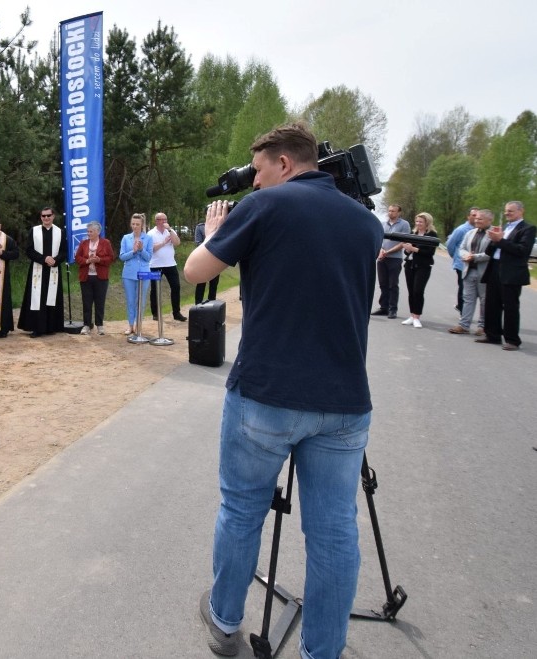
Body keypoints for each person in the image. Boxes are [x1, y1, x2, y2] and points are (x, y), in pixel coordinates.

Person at [184, 123, 383, 659]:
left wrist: (211, 232)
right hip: (343, 403)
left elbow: (194, 271)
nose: (255, 179)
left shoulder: (263, 206)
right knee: (335, 533)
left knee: (243, 509)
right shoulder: (366, 222)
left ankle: (225, 622)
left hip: (266, 395)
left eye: (259, 169)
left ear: (284, 164)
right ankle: (324, 649)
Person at [477, 201, 536, 351]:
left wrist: (500, 240)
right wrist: (493, 240)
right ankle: (492, 335)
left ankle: (512, 340)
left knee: (510, 306)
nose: (507, 213)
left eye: (510, 211)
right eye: (506, 211)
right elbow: (491, 251)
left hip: (512, 272)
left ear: (521, 211)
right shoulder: (503, 227)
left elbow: (522, 250)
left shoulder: (527, 229)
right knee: (492, 304)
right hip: (495, 268)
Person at [17, 207, 66, 338]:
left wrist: (55, 260)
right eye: (43, 216)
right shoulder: (34, 231)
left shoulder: (60, 232)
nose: (46, 218)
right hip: (38, 269)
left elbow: (64, 251)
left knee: (51, 297)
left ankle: (51, 327)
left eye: (48, 215)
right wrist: (44, 259)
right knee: (36, 298)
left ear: (53, 216)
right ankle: (36, 328)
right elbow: (29, 250)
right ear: (41, 217)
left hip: (53, 268)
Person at [448, 209, 492, 335]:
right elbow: (461, 248)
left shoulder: (493, 234)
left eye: (480, 219)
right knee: (468, 298)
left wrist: (475, 257)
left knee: (484, 300)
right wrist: (466, 255)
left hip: (485, 272)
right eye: (476, 218)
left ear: (489, 220)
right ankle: (464, 325)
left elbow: (491, 253)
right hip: (469, 270)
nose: (477, 221)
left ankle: (482, 326)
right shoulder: (470, 232)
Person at [74, 220, 114, 335]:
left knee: (99, 302)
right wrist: (87, 260)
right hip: (86, 277)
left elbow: (111, 258)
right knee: (86, 302)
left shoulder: (105, 243)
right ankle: (86, 325)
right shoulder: (83, 243)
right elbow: (77, 258)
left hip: (101, 277)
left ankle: (100, 325)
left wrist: (99, 260)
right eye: (88, 231)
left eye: (91, 231)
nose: (89, 233)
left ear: (97, 232)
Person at [400, 211, 438, 328]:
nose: (418, 223)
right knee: (411, 291)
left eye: (421, 221)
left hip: (423, 266)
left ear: (427, 222)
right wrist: (407, 249)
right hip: (410, 264)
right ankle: (412, 315)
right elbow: (407, 250)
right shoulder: (413, 233)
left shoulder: (432, 235)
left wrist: (414, 249)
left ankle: (417, 317)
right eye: (417, 221)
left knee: (418, 291)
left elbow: (430, 252)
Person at [371, 204, 410, 318]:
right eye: (389, 210)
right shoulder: (383, 224)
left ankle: (393, 309)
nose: (390, 213)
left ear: (399, 213)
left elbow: (404, 242)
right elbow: (380, 239)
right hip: (382, 257)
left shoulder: (404, 224)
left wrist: (388, 252)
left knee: (392, 284)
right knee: (383, 283)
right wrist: (382, 250)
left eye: (393, 211)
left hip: (395, 258)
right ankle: (384, 307)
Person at [147, 212, 186, 321]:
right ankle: (155, 313)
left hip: (170, 264)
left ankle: (176, 312)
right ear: (157, 221)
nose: (164, 222)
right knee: (155, 289)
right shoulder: (150, 233)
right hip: (155, 265)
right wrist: (163, 242)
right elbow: (151, 248)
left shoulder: (170, 231)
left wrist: (169, 231)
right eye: (162, 219)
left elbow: (177, 243)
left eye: (165, 219)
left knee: (176, 287)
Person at [119, 213, 154, 336]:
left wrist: (141, 250)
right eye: (133, 224)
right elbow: (122, 256)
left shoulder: (148, 238)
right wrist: (133, 252)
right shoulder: (126, 238)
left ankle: (139, 325)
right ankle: (130, 325)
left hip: (144, 273)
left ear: (142, 225)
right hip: (128, 274)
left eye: (137, 224)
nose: (135, 226)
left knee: (141, 300)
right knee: (130, 300)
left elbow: (148, 257)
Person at [446, 207, 478, 313]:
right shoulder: (461, 229)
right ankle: (462, 311)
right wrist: (455, 257)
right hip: (462, 264)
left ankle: (462, 307)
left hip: (475, 264)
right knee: (463, 287)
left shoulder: (480, 230)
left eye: (478, 215)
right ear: (468, 216)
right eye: (473, 215)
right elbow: (450, 244)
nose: (476, 218)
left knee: (472, 289)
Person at [193, 220, 219, 304]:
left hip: (215, 258)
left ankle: (212, 304)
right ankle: (198, 304)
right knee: (201, 282)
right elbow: (198, 243)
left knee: (214, 283)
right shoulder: (200, 227)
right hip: (203, 258)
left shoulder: (220, 226)